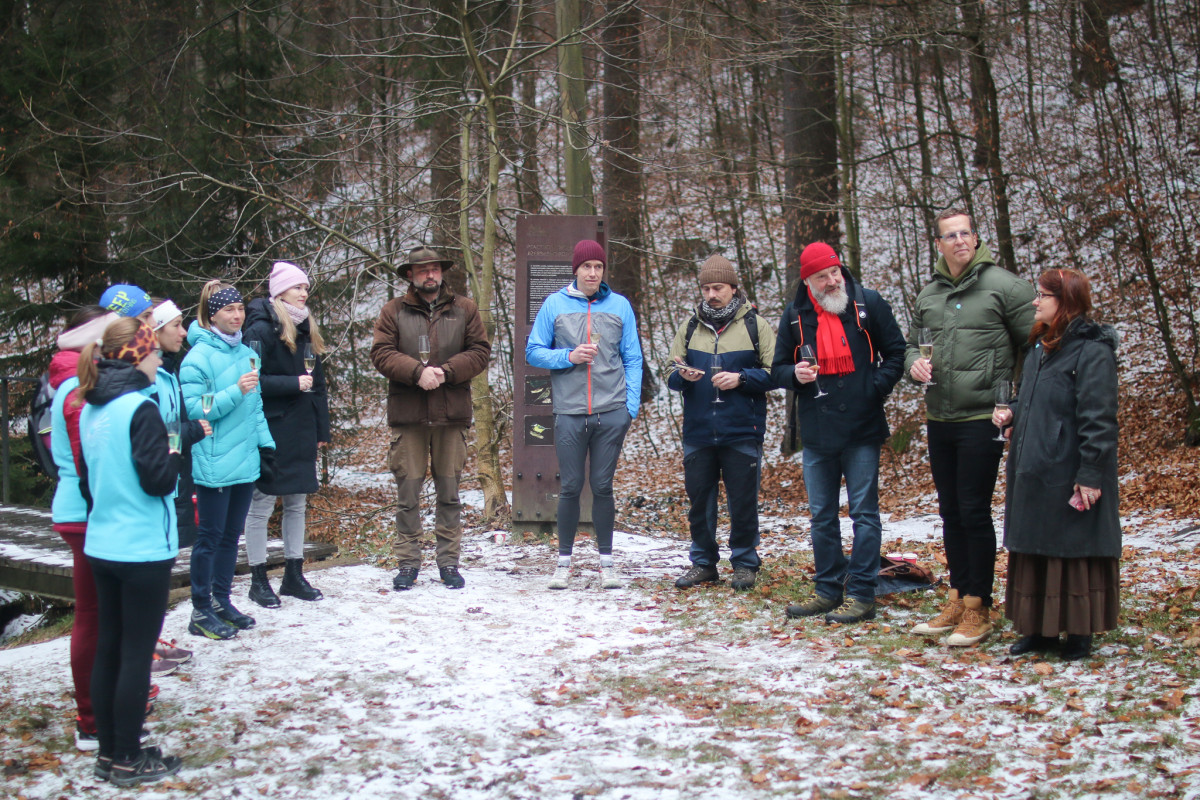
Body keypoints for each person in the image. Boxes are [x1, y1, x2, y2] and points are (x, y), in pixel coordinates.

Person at [906, 209, 1036, 646]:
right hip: (939, 417)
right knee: (950, 511)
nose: (959, 240)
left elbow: (1037, 347)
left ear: (975, 238)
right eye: (950, 235)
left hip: (984, 417)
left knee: (973, 508)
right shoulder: (929, 294)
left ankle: (980, 608)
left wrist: (1017, 404)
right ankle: (958, 597)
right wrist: (913, 365)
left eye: (965, 233)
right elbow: (910, 346)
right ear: (938, 244)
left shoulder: (1006, 287)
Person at [74, 318, 183, 785]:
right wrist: (176, 446)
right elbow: (158, 479)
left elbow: (86, 483)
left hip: (102, 543)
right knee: (136, 654)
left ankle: (112, 751)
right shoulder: (140, 408)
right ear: (138, 356)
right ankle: (127, 758)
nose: (160, 359)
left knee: (111, 650)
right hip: (141, 549)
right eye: (154, 353)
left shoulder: (89, 408)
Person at [774, 242, 906, 623]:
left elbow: (896, 353)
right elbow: (778, 367)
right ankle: (828, 590)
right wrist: (794, 376)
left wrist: (874, 386)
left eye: (835, 272)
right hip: (818, 428)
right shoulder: (796, 315)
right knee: (822, 516)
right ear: (808, 281)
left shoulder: (869, 304)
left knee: (864, 513)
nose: (832, 281)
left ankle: (863, 593)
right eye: (822, 277)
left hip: (862, 425)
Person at [993, 269, 1119, 661]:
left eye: (1043, 295)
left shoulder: (1092, 350)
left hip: (1069, 469)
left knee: (1072, 549)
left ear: (1065, 302)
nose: (1035, 301)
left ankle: (1078, 633)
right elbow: (1033, 399)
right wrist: (1012, 413)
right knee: (1036, 548)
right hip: (1033, 466)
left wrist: (1091, 473)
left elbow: (1099, 418)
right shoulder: (1039, 346)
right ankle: (1039, 631)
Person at [370, 246, 491, 590]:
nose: (430, 274)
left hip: (451, 414)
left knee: (450, 494)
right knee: (407, 494)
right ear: (410, 274)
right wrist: (415, 372)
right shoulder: (393, 310)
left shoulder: (464, 309)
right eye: (422, 269)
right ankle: (407, 563)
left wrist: (447, 371)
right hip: (408, 415)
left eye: (434, 268)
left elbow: (480, 351)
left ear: (442, 272)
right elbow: (380, 353)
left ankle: (449, 563)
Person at [526, 239, 644, 590]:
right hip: (571, 412)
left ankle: (607, 564)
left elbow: (633, 358)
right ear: (575, 269)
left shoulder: (620, 305)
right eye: (587, 266)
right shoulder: (554, 305)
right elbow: (533, 351)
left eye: (598, 267)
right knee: (571, 487)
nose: (593, 272)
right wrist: (568, 356)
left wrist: (630, 408)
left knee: (603, 487)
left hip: (611, 411)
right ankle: (564, 563)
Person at [668, 254, 776, 591]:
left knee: (742, 501)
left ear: (733, 289)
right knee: (700, 502)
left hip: (743, 429)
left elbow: (776, 374)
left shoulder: (755, 326)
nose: (711, 294)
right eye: (706, 288)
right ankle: (703, 563)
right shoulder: (689, 327)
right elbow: (669, 372)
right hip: (698, 430)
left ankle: (744, 563)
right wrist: (682, 376)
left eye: (718, 287)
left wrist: (741, 379)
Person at [180, 281, 275, 639]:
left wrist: (266, 446)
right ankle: (200, 609)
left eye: (240, 309)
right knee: (210, 537)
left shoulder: (248, 353)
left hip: (246, 460)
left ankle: (222, 600)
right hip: (215, 460)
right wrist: (235, 391)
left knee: (231, 536)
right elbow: (195, 408)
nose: (236, 316)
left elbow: (257, 407)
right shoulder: (197, 358)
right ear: (212, 315)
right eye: (228, 310)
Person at [48, 306, 120, 751]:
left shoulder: (82, 379)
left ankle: (106, 705)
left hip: (94, 512)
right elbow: (90, 463)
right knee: (94, 616)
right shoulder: (79, 386)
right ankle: (92, 718)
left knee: (105, 614)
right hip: (88, 515)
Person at [243, 262, 330, 606]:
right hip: (271, 426)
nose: (304, 294)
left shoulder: (306, 326)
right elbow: (252, 382)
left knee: (297, 503)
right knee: (261, 503)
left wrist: (321, 428)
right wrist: (292, 384)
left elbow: (319, 384)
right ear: (279, 292)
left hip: (303, 427)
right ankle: (258, 578)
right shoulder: (259, 330)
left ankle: (294, 575)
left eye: (306, 289)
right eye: (298, 288)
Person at [151, 299, 212, 550]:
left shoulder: (168, 370)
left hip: (177, 487)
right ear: (155, 330)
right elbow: (154, 436)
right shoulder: (147, 376)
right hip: (160, 490)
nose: (183, 332)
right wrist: (193, 430)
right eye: (176, 325)